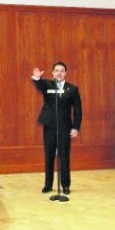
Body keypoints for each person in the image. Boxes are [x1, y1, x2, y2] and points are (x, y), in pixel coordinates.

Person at [31, 61, 82, 194]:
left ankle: (65, 185)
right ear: (53, 73)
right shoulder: (47, 84)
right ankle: (48, 184)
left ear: (65, 73)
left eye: (62, 71)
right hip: (50, 127)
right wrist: (37, 78)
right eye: (56, 71)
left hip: (65, 128)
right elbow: (39, 84)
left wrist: (76, 128)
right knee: (49, 156)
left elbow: (77, 110)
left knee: (64, 156)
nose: (59, 73)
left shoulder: (73, 89)